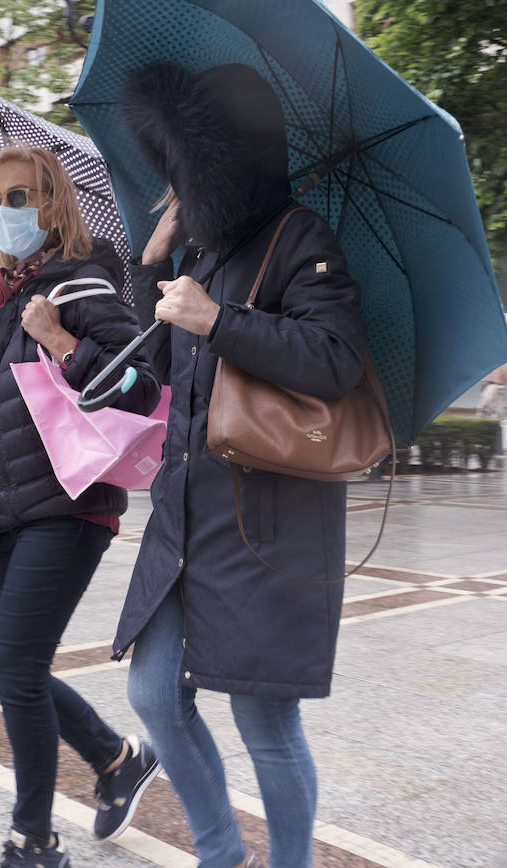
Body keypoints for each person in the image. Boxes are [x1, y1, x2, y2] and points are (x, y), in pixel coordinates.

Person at [114, 63, 371, 868]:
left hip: (270, 526)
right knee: (154, 694)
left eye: (186, 165)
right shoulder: (203, 252)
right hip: (186, 516)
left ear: (222, 163)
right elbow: (156, 367)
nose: (175, 183)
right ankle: (221, 853)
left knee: (267, 726)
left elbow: (334, 360)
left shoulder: (301, 238)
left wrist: (219, 318)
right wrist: (151, 271)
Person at [0, 142, 164, 868]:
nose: (3, 215)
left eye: (18, 198)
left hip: (69, 507)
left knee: (17, 669)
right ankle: (116, 760)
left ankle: (33, 838)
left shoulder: (79, 285)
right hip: (0, 510)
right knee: (10, 672)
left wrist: (61, 340)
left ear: (51, 202)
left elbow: (142, 388)